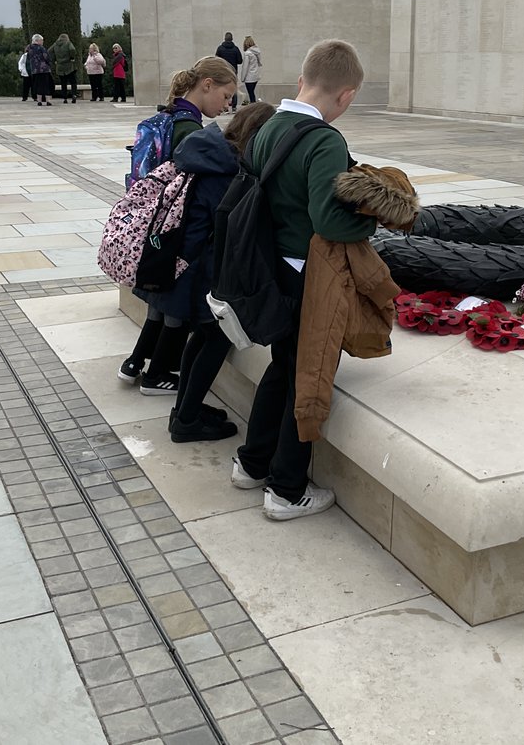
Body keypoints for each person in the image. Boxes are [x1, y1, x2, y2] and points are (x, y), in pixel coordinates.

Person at [231, 39, 373, 521]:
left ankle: (252, 463)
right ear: (346, 95)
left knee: (283, 368)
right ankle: (286, 490)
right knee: (307, 377)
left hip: (268, 270)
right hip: (305, 277)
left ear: (301, 80)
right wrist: (373, 221)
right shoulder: (325, 141)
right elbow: (328, 220)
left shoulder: (268, 126)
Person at [119, 56, 236, 395]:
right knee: (175, 305)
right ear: (207, 85)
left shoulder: (169, 116)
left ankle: (135, 363)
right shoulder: (190, 129)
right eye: (226, 96)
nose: (227, 105)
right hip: (178, 230)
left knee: (159, 301)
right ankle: (157, 374)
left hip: (157, 224)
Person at [166, 101, 276, 442]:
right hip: (204, 268)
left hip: (189, 263)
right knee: (217, 337)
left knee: (202, 335)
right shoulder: (228, 169)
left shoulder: (211, 153)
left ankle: (184, 409)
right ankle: (186, 421)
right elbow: (232, 225)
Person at [215, 32, 243, 112]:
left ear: (225, 39)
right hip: (233, 71)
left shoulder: (220, 48)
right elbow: (240, 61)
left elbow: (216, 60)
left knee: (223, 88)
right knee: (234, 89)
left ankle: (224, 106)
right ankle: (234, 107)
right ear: (232, 39)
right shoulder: (235, 49)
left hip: (223, 71)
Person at [25, 34, 54, 106]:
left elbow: (28, 57)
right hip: (44, 70)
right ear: (37, 41)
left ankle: (39, 101)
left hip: (35, 70)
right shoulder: (41, 48)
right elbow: (46, 57)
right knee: (46, 85)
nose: (42, 42)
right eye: (42, 40)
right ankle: (48, 101)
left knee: (37, 85)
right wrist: (50, 64)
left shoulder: (29, 48)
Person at [52, 33, 79, 104]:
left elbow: (49, 51)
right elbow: (72, 49)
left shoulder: (55, 44)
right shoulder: (68, 43)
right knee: (73, 82)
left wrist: (55, 59)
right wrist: (72, 57)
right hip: (69, 65)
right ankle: (74, 95)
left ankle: (65, 98)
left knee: (63, 83)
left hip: (60, 66)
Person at [239, 36, 262, 106]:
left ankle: (253, 106)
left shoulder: (247, 54)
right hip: (255, 76)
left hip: (249, 77)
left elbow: (245, 67)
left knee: (251, 93)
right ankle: (254, 105)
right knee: (252, 93)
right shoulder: (257, 52)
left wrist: (242, 78)